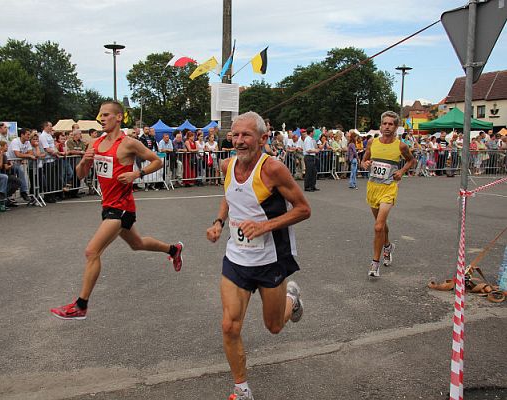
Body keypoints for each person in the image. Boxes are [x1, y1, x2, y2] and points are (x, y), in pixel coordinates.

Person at [206, 111, 311, 400]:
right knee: (229, 326)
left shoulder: (273, 169)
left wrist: (265, 225)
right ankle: (241, 389)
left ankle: (292, 299)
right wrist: (218, 223)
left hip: (270, 260)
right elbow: (230, 196)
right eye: (236, 135)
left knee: (274, 326)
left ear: (263, 139)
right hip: (236, 259)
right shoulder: (226, 165)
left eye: (246, 135)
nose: (239, 141)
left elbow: (304, 209)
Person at [50, 101, 184, 320]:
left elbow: (157, 161)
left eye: (106, 115)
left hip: (122, 207)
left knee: (92, 252)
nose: (101, 118)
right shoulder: (95, 143)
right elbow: (81, 174)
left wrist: (136, 175)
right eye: (100, 115)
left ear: (119, 117)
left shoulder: (129, 143)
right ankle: (173, 250)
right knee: (137, 244)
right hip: (108, 205)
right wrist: (84, 161)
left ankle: (80, 305)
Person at [361, 111, 414, 277]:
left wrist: (402, 171)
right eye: (385, 123)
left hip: (389, 188)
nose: (387, 127)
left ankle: (374, 264)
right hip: (373, 187)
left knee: (378, 227)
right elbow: (364, 159)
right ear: (380, 125)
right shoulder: (372, 142)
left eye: (391, 124)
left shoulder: (401, 146)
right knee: (381, 224)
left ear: (396, 127)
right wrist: (365, 163)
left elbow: (411, 160)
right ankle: (388, 246)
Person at [303, 127, 319, 191]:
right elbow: (308, 150)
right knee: (309, 172)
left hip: (311, 156)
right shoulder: (308, 139)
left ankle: (312, 185)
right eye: (314, 131)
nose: (314, 133)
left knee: (314, 172)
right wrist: (315, 150)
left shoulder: (311, 139)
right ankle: (307, 186)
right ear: (311, 132)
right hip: (308, 156)